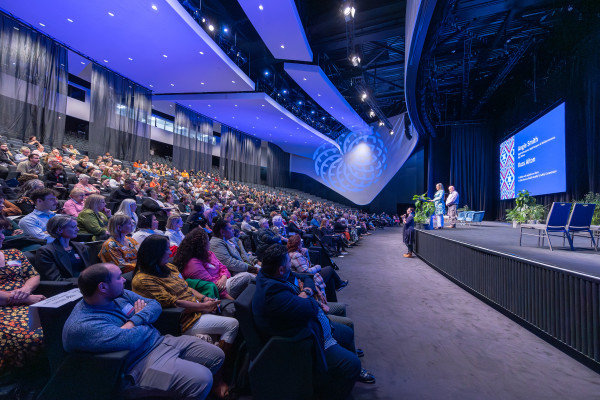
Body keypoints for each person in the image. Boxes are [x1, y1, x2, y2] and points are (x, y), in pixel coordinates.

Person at [62, 263, 224, 399]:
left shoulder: (119, 294)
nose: (124, 280)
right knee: (202, 379)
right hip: (139, 363)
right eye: (119, 277)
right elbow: (132, 341)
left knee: (216, 355)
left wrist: (135, 319)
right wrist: (143, 320)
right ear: (103, 287)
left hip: (160, 341)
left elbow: (154, 305)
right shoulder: (83, 325)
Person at [252, 245, 374, 400]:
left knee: (348, 332)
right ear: (281, 269)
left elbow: (306, 278)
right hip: (306, 339)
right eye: (288, 263)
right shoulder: (272, 293)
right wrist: (307, 294)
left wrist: (306, 291)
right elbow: (310, 308)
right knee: (353, 364)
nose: (291, 266)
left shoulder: (273, 274)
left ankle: (343, 374)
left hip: (314, 326)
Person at [131, 235, 236, 398]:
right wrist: (203, 306)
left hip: (196, 309)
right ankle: (218, 378)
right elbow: (173, 304)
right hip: (181, 319)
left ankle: (218, 371)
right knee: (232, 325)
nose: (170, 252)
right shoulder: (142, 280)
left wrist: (202, 298)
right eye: (167, 249)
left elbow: (186, 287)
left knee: (221, 330)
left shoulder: (170, 268)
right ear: (156, 253)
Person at [0, 231, 46, 372]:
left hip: (28, 301)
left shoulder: (14, 253)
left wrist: (26, 288)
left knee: (60, 325)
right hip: (4, 308)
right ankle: (25, 376)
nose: (3, 236)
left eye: (2, 232)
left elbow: (33, 276)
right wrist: (27, 298)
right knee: (32, 337)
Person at [175, 228, 254, 300]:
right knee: (248, 277)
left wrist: (224, 277)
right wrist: (233, 302)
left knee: (251, 278)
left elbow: (223, 267)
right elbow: (212, 286)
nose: (209, 243)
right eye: (207, 241)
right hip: (220, 290)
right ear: (200, 246)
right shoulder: (193, 263)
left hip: (224, 281)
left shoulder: (209, 253)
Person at [287, 235, 348, 299]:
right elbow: (305, 271)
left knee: (330, 279)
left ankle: (337, 289)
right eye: (300, 243)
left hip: (304, 276)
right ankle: (339, 284)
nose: (302, 244)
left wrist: (306, 253)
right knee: (329, 269)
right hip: (307, 278)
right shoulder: (296, 255)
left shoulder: (292, 253)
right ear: (297, 244)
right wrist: (317, 267)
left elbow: (308, 264)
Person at [35, 215, 90, 281]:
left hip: (85, 283)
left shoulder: (80, 247)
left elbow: (89, 271)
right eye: (73, 227)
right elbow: (55, 279)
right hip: (66, 287)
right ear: (59, 230)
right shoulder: (46, 252)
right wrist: (84, 282)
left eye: (77, 226)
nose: (77, 229)